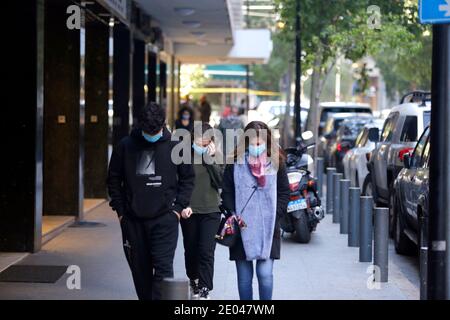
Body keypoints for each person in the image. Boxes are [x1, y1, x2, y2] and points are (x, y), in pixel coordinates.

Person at [107, 102, 195, 300]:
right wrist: (121, 213)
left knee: (164, 271)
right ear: (140, 126)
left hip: (165, 219)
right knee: (140, 272)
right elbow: (113, 179)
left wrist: (177, 209)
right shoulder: (126, 146)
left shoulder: (177, 145)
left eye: (156, 130)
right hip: (133, 220)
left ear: (164, 125)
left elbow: (188, 178)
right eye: (148, 131)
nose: (152, 134)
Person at [221, 121, 290, 300]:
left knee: (264, 274)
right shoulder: (234, 163)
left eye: (258, 144)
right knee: (244, 278)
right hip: (241, 226)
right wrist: (233, 214)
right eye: (251, 144)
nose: (255, 147)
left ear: (267, 143)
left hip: (268, 226)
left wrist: (275, 215)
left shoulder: (277, 163)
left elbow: (284, 192)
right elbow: (226, 191)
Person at [180, 122, 223, 300]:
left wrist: (210, 158)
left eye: (206, 144)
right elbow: (178, 184)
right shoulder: (183, 156)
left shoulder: (216, 155)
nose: (202, 147)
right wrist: (182, 205)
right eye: (199, 143)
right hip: (189, 210)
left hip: (211, 210)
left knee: (206, 251)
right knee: (191, 250)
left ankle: (205, 288)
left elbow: (220, 182)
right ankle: (193, 279)